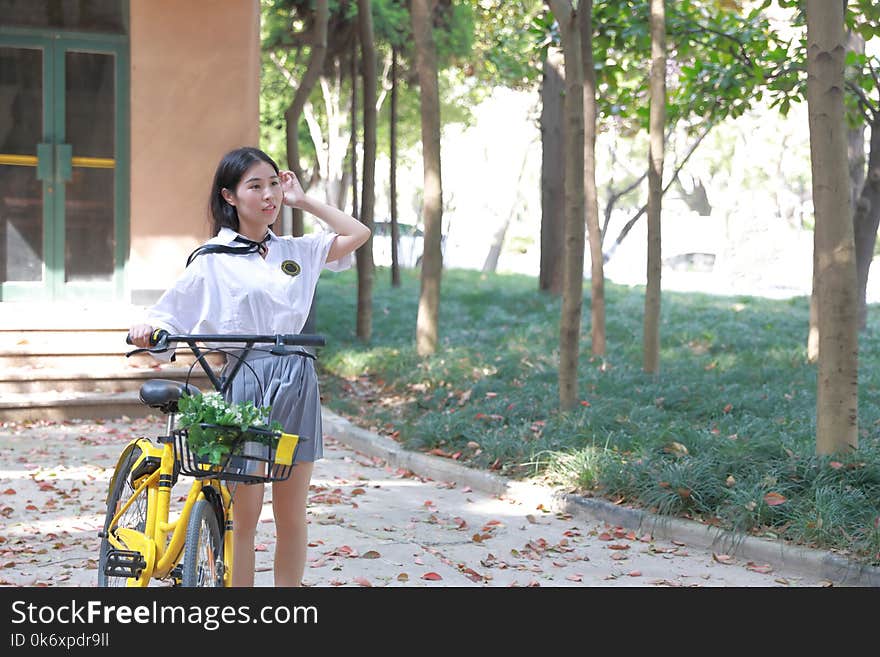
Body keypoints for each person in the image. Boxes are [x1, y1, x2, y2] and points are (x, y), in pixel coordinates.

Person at [129, 146, 370, 587]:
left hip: (297, 380)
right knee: (246, 515)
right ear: (231, 196)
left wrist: (305, 201)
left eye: (273, 184)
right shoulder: (211, 259)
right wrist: (149, 328)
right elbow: (170, 312)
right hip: (247, 384)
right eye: (254, 186)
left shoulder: (298, 251)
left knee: (292, 512)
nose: (268, 196)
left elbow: (357, 232)